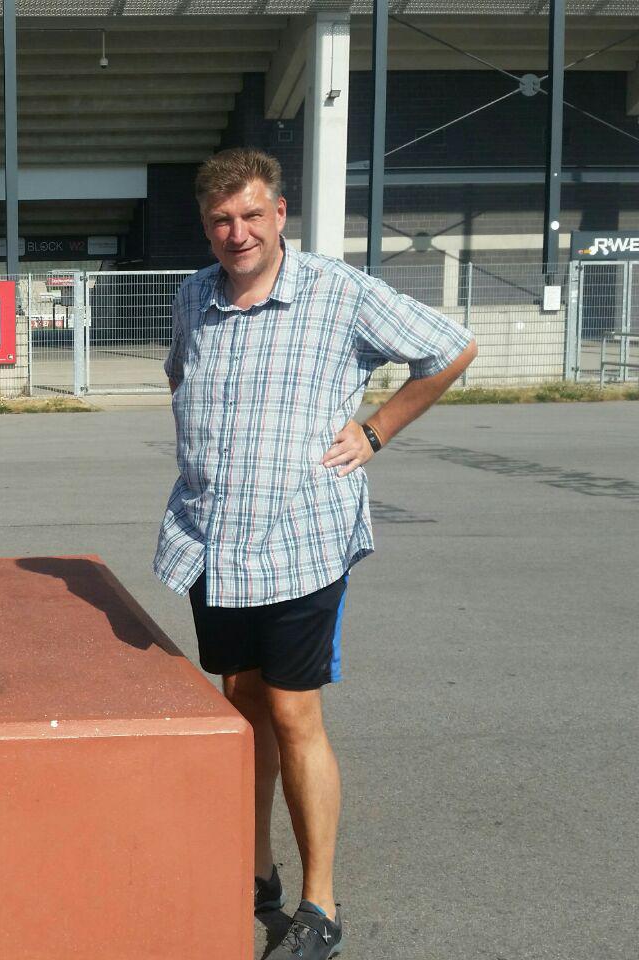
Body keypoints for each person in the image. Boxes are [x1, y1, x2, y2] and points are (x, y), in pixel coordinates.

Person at [155, 148, 476, 960]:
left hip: (299, 539)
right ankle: (256, 867)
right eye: (222, 220)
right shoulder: (193, 295)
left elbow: (449, 347)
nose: (238, 233)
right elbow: (179, 377)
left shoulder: (337, 292)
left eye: (252, 215)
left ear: (280, 214)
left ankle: (318, 904)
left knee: (295, 712)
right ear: (207, 225)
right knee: (240, 699)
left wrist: (376, 430)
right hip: (214, 539)